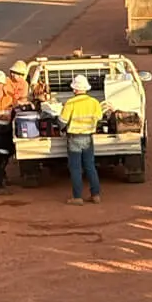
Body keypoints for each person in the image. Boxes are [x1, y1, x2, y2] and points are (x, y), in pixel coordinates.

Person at [59, 73, 104, 205]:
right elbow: (99, 119)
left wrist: (60, 128)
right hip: (88, 138)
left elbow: (62, 121)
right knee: (90, 166)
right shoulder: (94, 102)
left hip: (74, 138)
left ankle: (77, 197)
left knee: (76, 168)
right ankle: (96, 195)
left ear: (74, 89)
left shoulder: (70, 103)